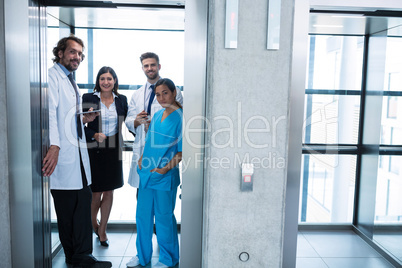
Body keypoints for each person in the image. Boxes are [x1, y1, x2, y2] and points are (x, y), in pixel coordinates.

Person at [42, 35, 112, 268]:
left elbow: (65, 117)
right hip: (63, 155)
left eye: (80, 54)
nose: (77, 57)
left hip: (77, 157)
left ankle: (79, 256)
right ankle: (78, 256)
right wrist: (55, 145)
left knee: (80, 206)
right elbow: (50, 113)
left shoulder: (70, 80)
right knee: (68, 211)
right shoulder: (52, 77)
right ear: (60, 52)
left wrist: (83, 119)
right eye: (73, 52)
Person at [127, 78, 182, 268]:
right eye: (158, 94)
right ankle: (142, 256)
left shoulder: (182, 118)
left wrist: (165, 169)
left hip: (164, 176)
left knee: (164, 218)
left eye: (165, 93)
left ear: (174, 92)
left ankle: (169, 258)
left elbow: (182, 152)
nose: (161, 98)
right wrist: (142, 158)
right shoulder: (157, 116)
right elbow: (149, 141)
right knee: (142, 217)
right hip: (146, 174)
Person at [82, 66, 128, 247]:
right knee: (95, 193)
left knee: (109, 191)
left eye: (109, 78)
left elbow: (128, 122)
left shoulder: (122, 100)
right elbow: (79, 123)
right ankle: (94, 224)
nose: (106, 82)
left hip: (113, 148)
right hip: (95, 148)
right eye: (102, 79)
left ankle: (103, 230)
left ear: (115, 81)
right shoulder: (88, 98)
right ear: (98, 81)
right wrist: (93, 135)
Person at [125, 52, 183, 191]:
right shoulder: (137, 94)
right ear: (143, 68)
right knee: (143, 190)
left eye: (152, 65)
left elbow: (178, 117)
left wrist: (159, 126)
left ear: (159, 66)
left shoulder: (174, 91)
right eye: (146, 66)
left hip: (165, 150)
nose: (149, 68)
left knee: (162, 199)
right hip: (144, 147)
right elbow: (128, 119)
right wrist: (137, 121)